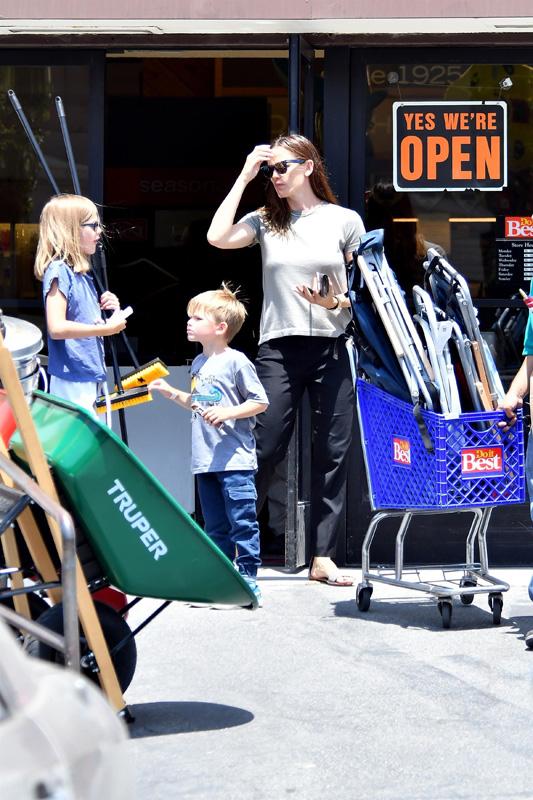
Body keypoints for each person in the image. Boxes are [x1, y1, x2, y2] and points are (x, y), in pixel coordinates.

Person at [207, 133, 366, 586]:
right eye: (269, 169)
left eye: (281, 167)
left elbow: (362, 293)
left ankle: (323, 556)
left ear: (308, 168)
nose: (274, 176)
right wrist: (243, 174)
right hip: (277, 347)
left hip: (331, 345)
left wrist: (332, 303)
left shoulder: (343, 220)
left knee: (332, 453)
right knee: (264, 445)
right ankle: (230, 546)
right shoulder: (265, 220)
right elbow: (217, 237)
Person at [149, 283, 268, 605]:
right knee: (214, 526)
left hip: (235, 460)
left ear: (220, 327)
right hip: (205, 460)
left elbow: (260, 401)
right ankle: (219, 581)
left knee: (242, 521)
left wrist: (228, 412)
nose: (189, 322)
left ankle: (247, 579)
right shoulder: (199, 364)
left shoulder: (236, 361)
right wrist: (173, 394)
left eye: (197, 318)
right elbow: (201, 403)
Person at [34, 194, 127, 415]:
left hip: (86, 375)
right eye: (93, 225)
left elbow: (81, 320)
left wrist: (109, 312)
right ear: (71, 229)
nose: (99, 232)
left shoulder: (80, 274)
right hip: (72, 379)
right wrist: (105, 329)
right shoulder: (59, 270)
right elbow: (57, 328)